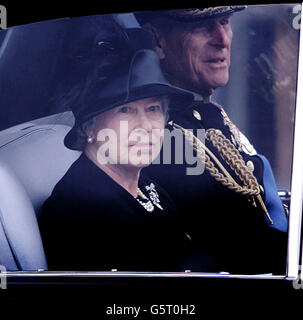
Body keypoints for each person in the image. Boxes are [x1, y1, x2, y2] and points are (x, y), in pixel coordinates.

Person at [134, 7, 289, 274]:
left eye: (224, 22)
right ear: (156, 39)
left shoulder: (208, 113)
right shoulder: (156, 139)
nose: (222, 39)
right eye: (202, 26)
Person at [38, 21, 201, 271]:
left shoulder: (145, 186)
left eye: (153, 108)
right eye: (125, 110)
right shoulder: (80, 212)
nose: (145, 125)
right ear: (88, 126)